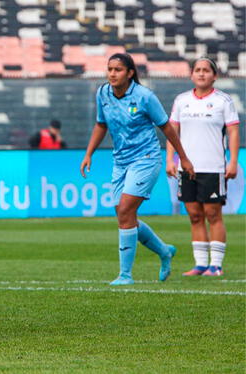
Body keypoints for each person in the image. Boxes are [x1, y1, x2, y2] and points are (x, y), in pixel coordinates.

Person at [80, 53, 195, 286]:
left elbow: (167, 128)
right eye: (110, 69)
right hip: (120, 161)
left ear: (130, 73)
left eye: (118, 70)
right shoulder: (103, 93)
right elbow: (101, 124)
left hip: (146, 159)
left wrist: (183, 158)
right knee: (125, 215)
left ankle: (125, 275)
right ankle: (164, 251)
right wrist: (89, 153)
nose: (112, 73)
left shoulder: (144, 97)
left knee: (124, 212)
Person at [166, 57, 240, 277]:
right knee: (194, 214)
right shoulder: (181, 100)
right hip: (187, 168)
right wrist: (170, 159)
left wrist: (233, 161)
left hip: (213, 166)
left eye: (206, 70)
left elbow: (233, 132)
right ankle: (200, 264)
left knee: (212, 213)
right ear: (191, 75)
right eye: (197, 70)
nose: (201, 74)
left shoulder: (223, 101)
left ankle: (216, 265)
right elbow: (172, 132)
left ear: (214, 76)